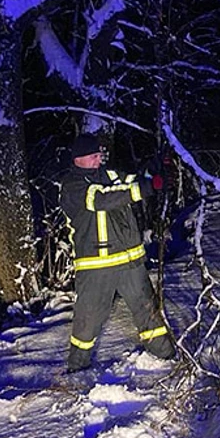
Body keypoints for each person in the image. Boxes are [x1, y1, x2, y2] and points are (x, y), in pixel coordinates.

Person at [60, 134, 175, 372]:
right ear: (78, 159)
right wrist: (144, 188)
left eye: (98, 155)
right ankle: (76, 369)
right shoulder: (72, 186)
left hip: (130, 259)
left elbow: (132, 180)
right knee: (88, 320)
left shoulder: (109, 175)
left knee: (147, 310)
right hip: (95, 265)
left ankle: (167, 357)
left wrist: (154, 169)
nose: (98, 160)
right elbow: (102, 199)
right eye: (93, 156)